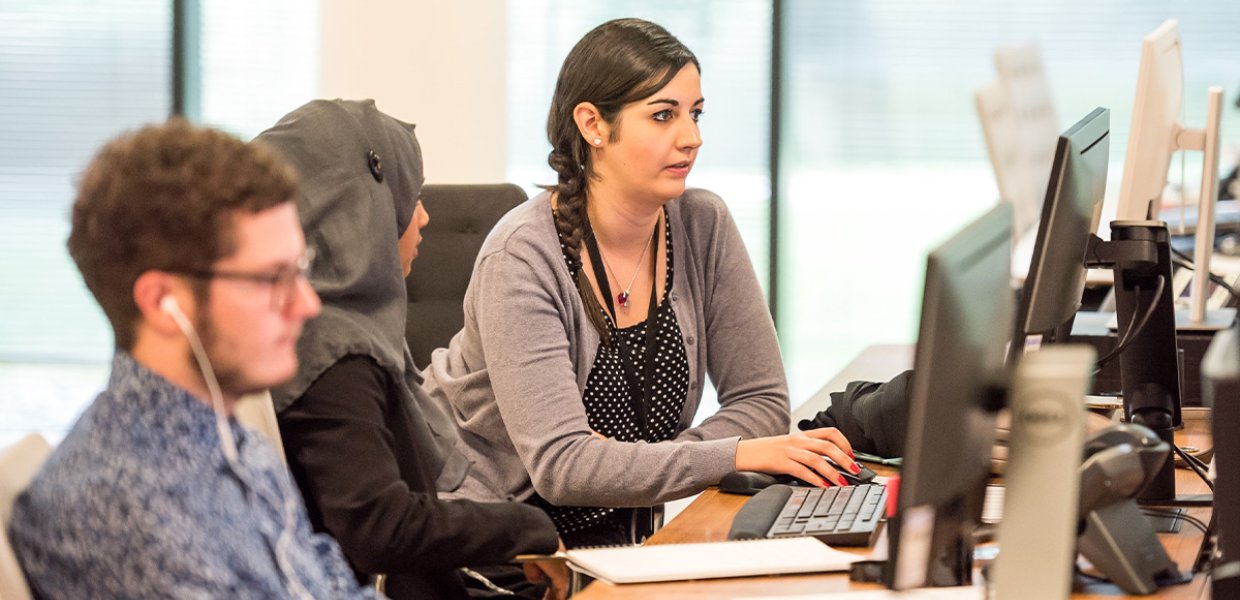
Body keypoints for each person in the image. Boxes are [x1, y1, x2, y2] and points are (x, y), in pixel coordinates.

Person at [422, 18, 860, 548]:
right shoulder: (523, 256)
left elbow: (762, 400)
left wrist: (645, 464)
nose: (692, 137)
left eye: (695, 114)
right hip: (500, 546)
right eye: (663, 115)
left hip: (625, 541)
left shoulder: (702, 224)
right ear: (593, 125)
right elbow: (563, 466)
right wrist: (732, 453)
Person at [8, 119, 383, 598]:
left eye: (300, 268)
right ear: (164, 302)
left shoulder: (230, 440)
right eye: (272, 278)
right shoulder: (128, 510)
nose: (307, 304)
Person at [258, 99, 566, 600]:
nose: (423, 217)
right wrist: (526, 528)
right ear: (361, 210)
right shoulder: (336, 355)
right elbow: (379, 527)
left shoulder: (332, 332)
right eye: (411, 196)